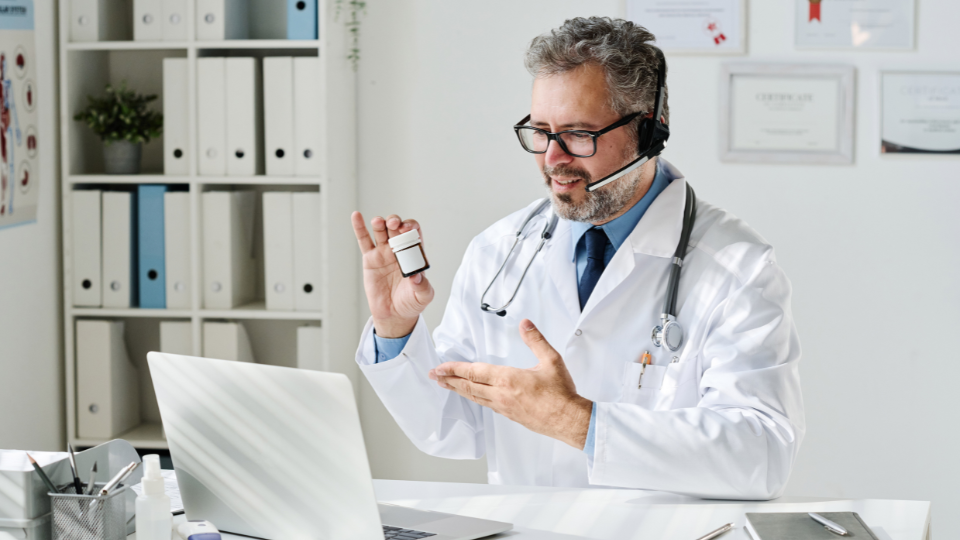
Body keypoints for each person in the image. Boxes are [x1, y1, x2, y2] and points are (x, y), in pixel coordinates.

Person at [350, 17, 804, 499]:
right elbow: (453, 428)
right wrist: (394, 330)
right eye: (541, 132)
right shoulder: (500, 251)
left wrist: (578, 423)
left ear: (650, 132)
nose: (552, 158)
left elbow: (762, 456)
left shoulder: (738, 268)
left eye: (578, 134)